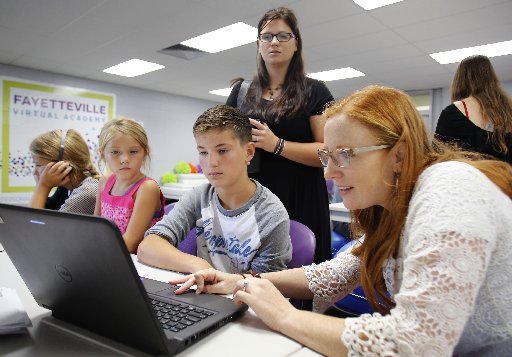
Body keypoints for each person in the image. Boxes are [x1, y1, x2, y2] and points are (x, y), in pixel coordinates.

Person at [172, 86, 512, 356]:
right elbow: (333, 274)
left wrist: (286, 315)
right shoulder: (393, 207)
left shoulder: (449, 190)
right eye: (326, 156)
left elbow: (416, 345)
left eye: (344, 155)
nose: (330, 173)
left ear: (401, 154)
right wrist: (239, 282)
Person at [226, 7, 334, 263]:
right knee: (247, 278)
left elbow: (328, 153)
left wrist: (277, 145)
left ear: (296, 44)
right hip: (252, 200)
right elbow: (222, 143)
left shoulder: (315, 91)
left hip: (300, 198)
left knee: (297, 278)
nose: (274, 42)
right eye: (267, 36)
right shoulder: (241, 93)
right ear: (258, 45)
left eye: (283, 36)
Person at [137, 105, 292, 274]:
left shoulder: (271, 214)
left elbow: (266, 283)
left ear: (248, 152)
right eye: (203, 152)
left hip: (244, 298)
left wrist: (217, 279)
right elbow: (148, 246)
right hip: (203, 295)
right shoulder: (199, 197)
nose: (211, 162)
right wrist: (199, 266)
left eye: (222, 151)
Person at [94, 117, 164, 253]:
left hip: (137, 262)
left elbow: (130, 243)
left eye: (133, 151)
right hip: (108, 255)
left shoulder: (147, 188)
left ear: (144, 153)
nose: (125, 159)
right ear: (103, 154)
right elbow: (95, 227)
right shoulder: (104, 182)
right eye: (115, 152)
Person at [435, 54, 512, 164]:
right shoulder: (508, 111)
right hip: (506, 179)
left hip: (470, 179)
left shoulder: (452, 112)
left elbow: (438, 158)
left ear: (460, 80)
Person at [29, 129, 99, 214]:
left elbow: (34, 222)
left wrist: (43, 186)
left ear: (61, 167)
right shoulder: (67, 187)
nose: (34, 172)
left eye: (38, 165)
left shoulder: (87, 191)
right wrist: (41, 185)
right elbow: (48, 207)